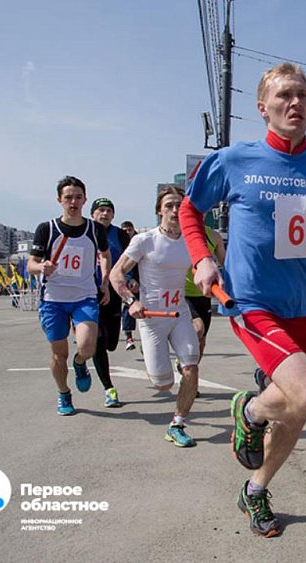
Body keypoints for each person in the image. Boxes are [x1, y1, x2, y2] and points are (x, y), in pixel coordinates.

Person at [180, 62, 306, 537]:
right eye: (284, 95)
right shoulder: (234, 159)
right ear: (263, 108)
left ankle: (255, 490)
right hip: (252, 303)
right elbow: (189, 210)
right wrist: (202, 259)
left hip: (305, 306)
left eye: (302, 95)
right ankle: (250, 410)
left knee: (297, 415)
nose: (296, 103)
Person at [109, 186, 201, 448]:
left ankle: (177, 423)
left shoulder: (191, 242)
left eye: (179, 206)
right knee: (163, 385)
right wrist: (130, 301)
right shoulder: (144, 240)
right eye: (169, 205)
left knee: (192, 368)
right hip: (150, 317)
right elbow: (116, 274)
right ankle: (169, 369)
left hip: (179, 312)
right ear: (159, 210)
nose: (175, 210)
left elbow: (200, 275)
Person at [27, 176, 111, 416]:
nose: (73, 202)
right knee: (58, 354)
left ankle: (81, 362)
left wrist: (104, 281)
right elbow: (31, 263)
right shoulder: (47, 229)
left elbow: (104, 255)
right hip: (53, 299)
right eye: (68, 197)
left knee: (87, 346)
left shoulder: (94, 229)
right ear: (59, 200)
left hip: (84, 295)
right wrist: (41, 267)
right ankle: (64, 393)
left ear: (85, 199)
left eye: (77, 197)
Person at [177, 221, 226, 398]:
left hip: (203, 295)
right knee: (197, 329)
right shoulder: (179, 232)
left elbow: (224, 261)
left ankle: (188, 379)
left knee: (202, 342)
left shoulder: (213, 236)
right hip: (181, 293)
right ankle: (183, 361)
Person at [90, 198, 130, 407]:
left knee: (111, 343)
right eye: (100, 210)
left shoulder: (120, 235)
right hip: (88, 293)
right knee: (98, 340)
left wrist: (131, 281)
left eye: (108, 211)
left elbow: (130, 260)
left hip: (114, 292)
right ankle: (109, 388)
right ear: (93, 214)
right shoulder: (85, 231)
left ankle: (85, 353)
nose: (104, 214)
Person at [119, 221, 139, 350]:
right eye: (124, 230)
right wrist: (128, 279)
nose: (127, 232)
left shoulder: (140, 242)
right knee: (129, 306)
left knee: (147, 310)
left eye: (129, 230)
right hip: (129, 281)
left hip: (143, 281)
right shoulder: (121, 245)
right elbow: (119, 267)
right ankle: (129, 337)